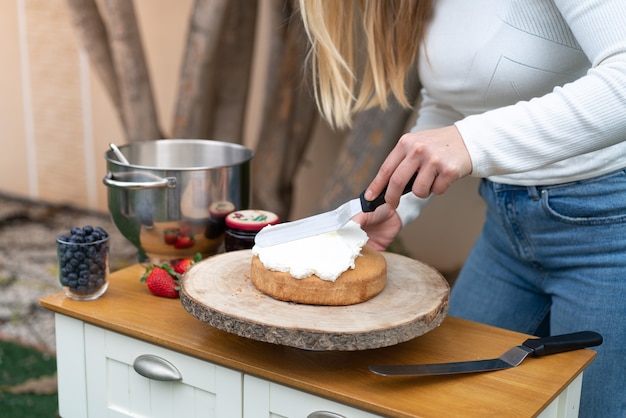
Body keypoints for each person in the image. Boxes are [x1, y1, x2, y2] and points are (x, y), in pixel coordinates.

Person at [298, 1, 626, 417]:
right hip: (507, 230)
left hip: (610, 232)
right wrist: (397, 201)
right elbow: (455, 102)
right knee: (445, 400)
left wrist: (471, 142)